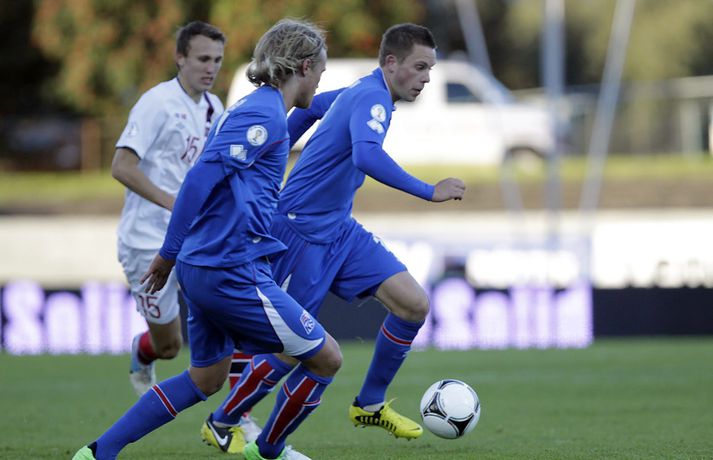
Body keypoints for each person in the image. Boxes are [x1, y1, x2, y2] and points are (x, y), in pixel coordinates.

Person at [72, 18, 339, 460]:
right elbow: (198, 180)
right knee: (326, 356)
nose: (320, 82)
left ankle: (99, 452)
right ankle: (268, 450)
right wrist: (167, 253)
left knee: (207, 378)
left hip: (207, 264)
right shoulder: (261, 113)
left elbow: (297, 122)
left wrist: (373, 90)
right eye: (322, 73)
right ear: (305, 66)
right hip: (230, 267)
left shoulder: (264, 110)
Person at [201, 23, 466, 452]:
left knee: (413, 304)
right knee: (293, 348)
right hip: (299, 231)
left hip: (339, 229)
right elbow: (367, 155)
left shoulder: (362, 92)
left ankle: (370, 404)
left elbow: (308, 112)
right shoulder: (372, 97)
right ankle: (223, 420)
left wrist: (282, 147)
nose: (427, 79)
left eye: (430, 70)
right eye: (420, 67)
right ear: (391, 63)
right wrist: (429, 191)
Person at [111, 20, 225, 396]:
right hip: (147, 241)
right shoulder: (156, 103)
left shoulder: (214, 108)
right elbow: (122, 166)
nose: (211, 68)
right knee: (169, 346)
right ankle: (143, 352)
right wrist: (176, 205)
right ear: (180, 58)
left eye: (217, 60)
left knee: (232, 318)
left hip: (195, 240)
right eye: (203, 59)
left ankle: (236, 413)